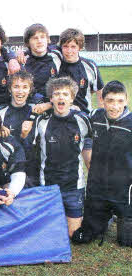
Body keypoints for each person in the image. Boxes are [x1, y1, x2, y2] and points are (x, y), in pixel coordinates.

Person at [27, 77, 92, 237]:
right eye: (56, 94)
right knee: (49, 233)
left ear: (72, 98)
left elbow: (93, 142)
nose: (61, 97)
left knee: (73, 234)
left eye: (65, 94)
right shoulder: (41, 121)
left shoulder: (82, 120)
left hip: (73, 185)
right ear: (51, 99)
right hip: (48, 184)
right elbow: (31, 150)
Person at [72, 80, 132, 247]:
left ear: (126, 101)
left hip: (124, 190)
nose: (115, 106)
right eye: (110, 101)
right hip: (97, 187)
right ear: (103, 101)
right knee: (83, 237)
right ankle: (104, 217)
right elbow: (72, 113)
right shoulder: (95, 116)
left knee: (126, 241)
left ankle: (120, 215)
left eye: (120, 101)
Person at [57, 28, 104, 114]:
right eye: (65, 46)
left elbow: (99, 93)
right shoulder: (56, 65)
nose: (69, 51)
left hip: (84, 117)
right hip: (60, 119)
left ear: (80, 47)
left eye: (73, 47)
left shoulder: (90, 66)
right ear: (61, 47)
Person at [19, 23, 61, 111]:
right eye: (35, 38)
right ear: (28, 42)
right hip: (32, 108)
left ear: (48, 40)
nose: (39, 41)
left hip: (56, 106)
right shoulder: (22, 60)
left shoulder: (58, 54)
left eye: (42, 37)